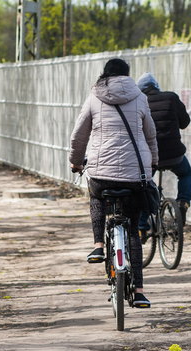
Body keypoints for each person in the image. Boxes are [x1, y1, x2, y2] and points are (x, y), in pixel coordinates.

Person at [69, 58, 158, 308]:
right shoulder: (140, 97)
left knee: (96, 195)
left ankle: (98, 245)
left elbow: (79, 134)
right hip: (135, 176)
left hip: (101, 172)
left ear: (104, 74)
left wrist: (76, 162)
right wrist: (152, 163)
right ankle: (139, 290)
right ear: (128, 75)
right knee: (131, 230)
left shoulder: (94, 97)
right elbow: (151, 135)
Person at [135, 72, 191, 228]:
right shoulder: (171, 98)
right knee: (186, 174)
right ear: (157, 86)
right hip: (175, 155)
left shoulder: (137, 102)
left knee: (145, 186)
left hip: (151, 158)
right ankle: (183, 201)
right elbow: (185, 122)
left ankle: (141, 225)